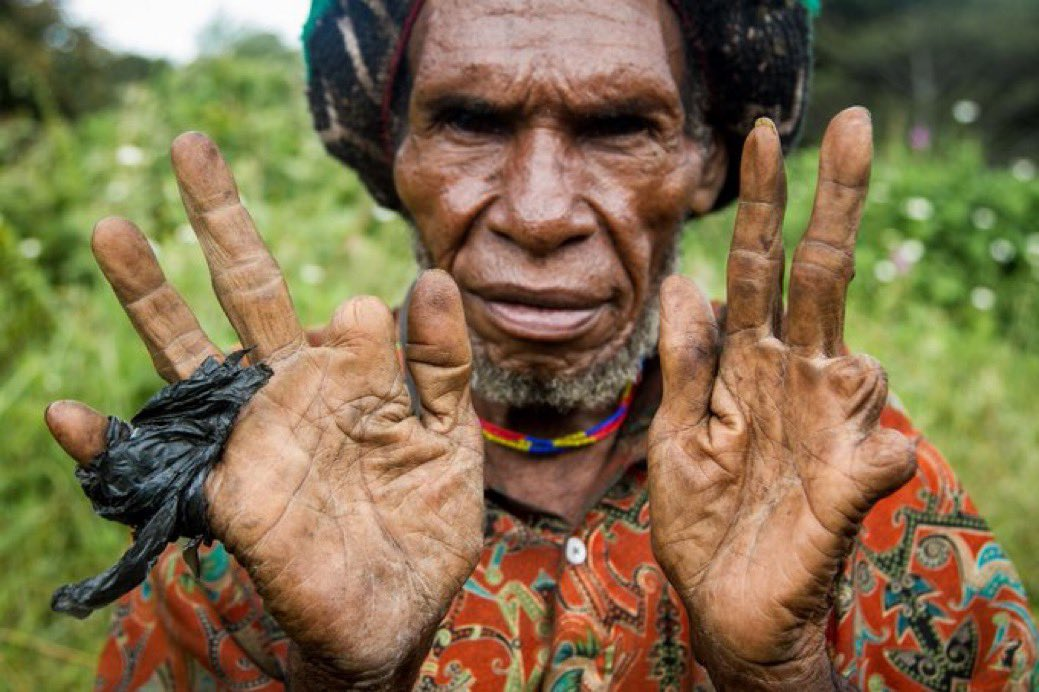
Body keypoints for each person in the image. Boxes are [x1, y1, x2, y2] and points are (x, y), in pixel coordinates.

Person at [44, 0, 1037, 689]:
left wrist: (779, 673)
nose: (538, 211)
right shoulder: (266, 498)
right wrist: (341, 679)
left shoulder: (857, 482)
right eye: (471, 121)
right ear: (396, 159)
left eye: (616, 128)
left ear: (704, 161)